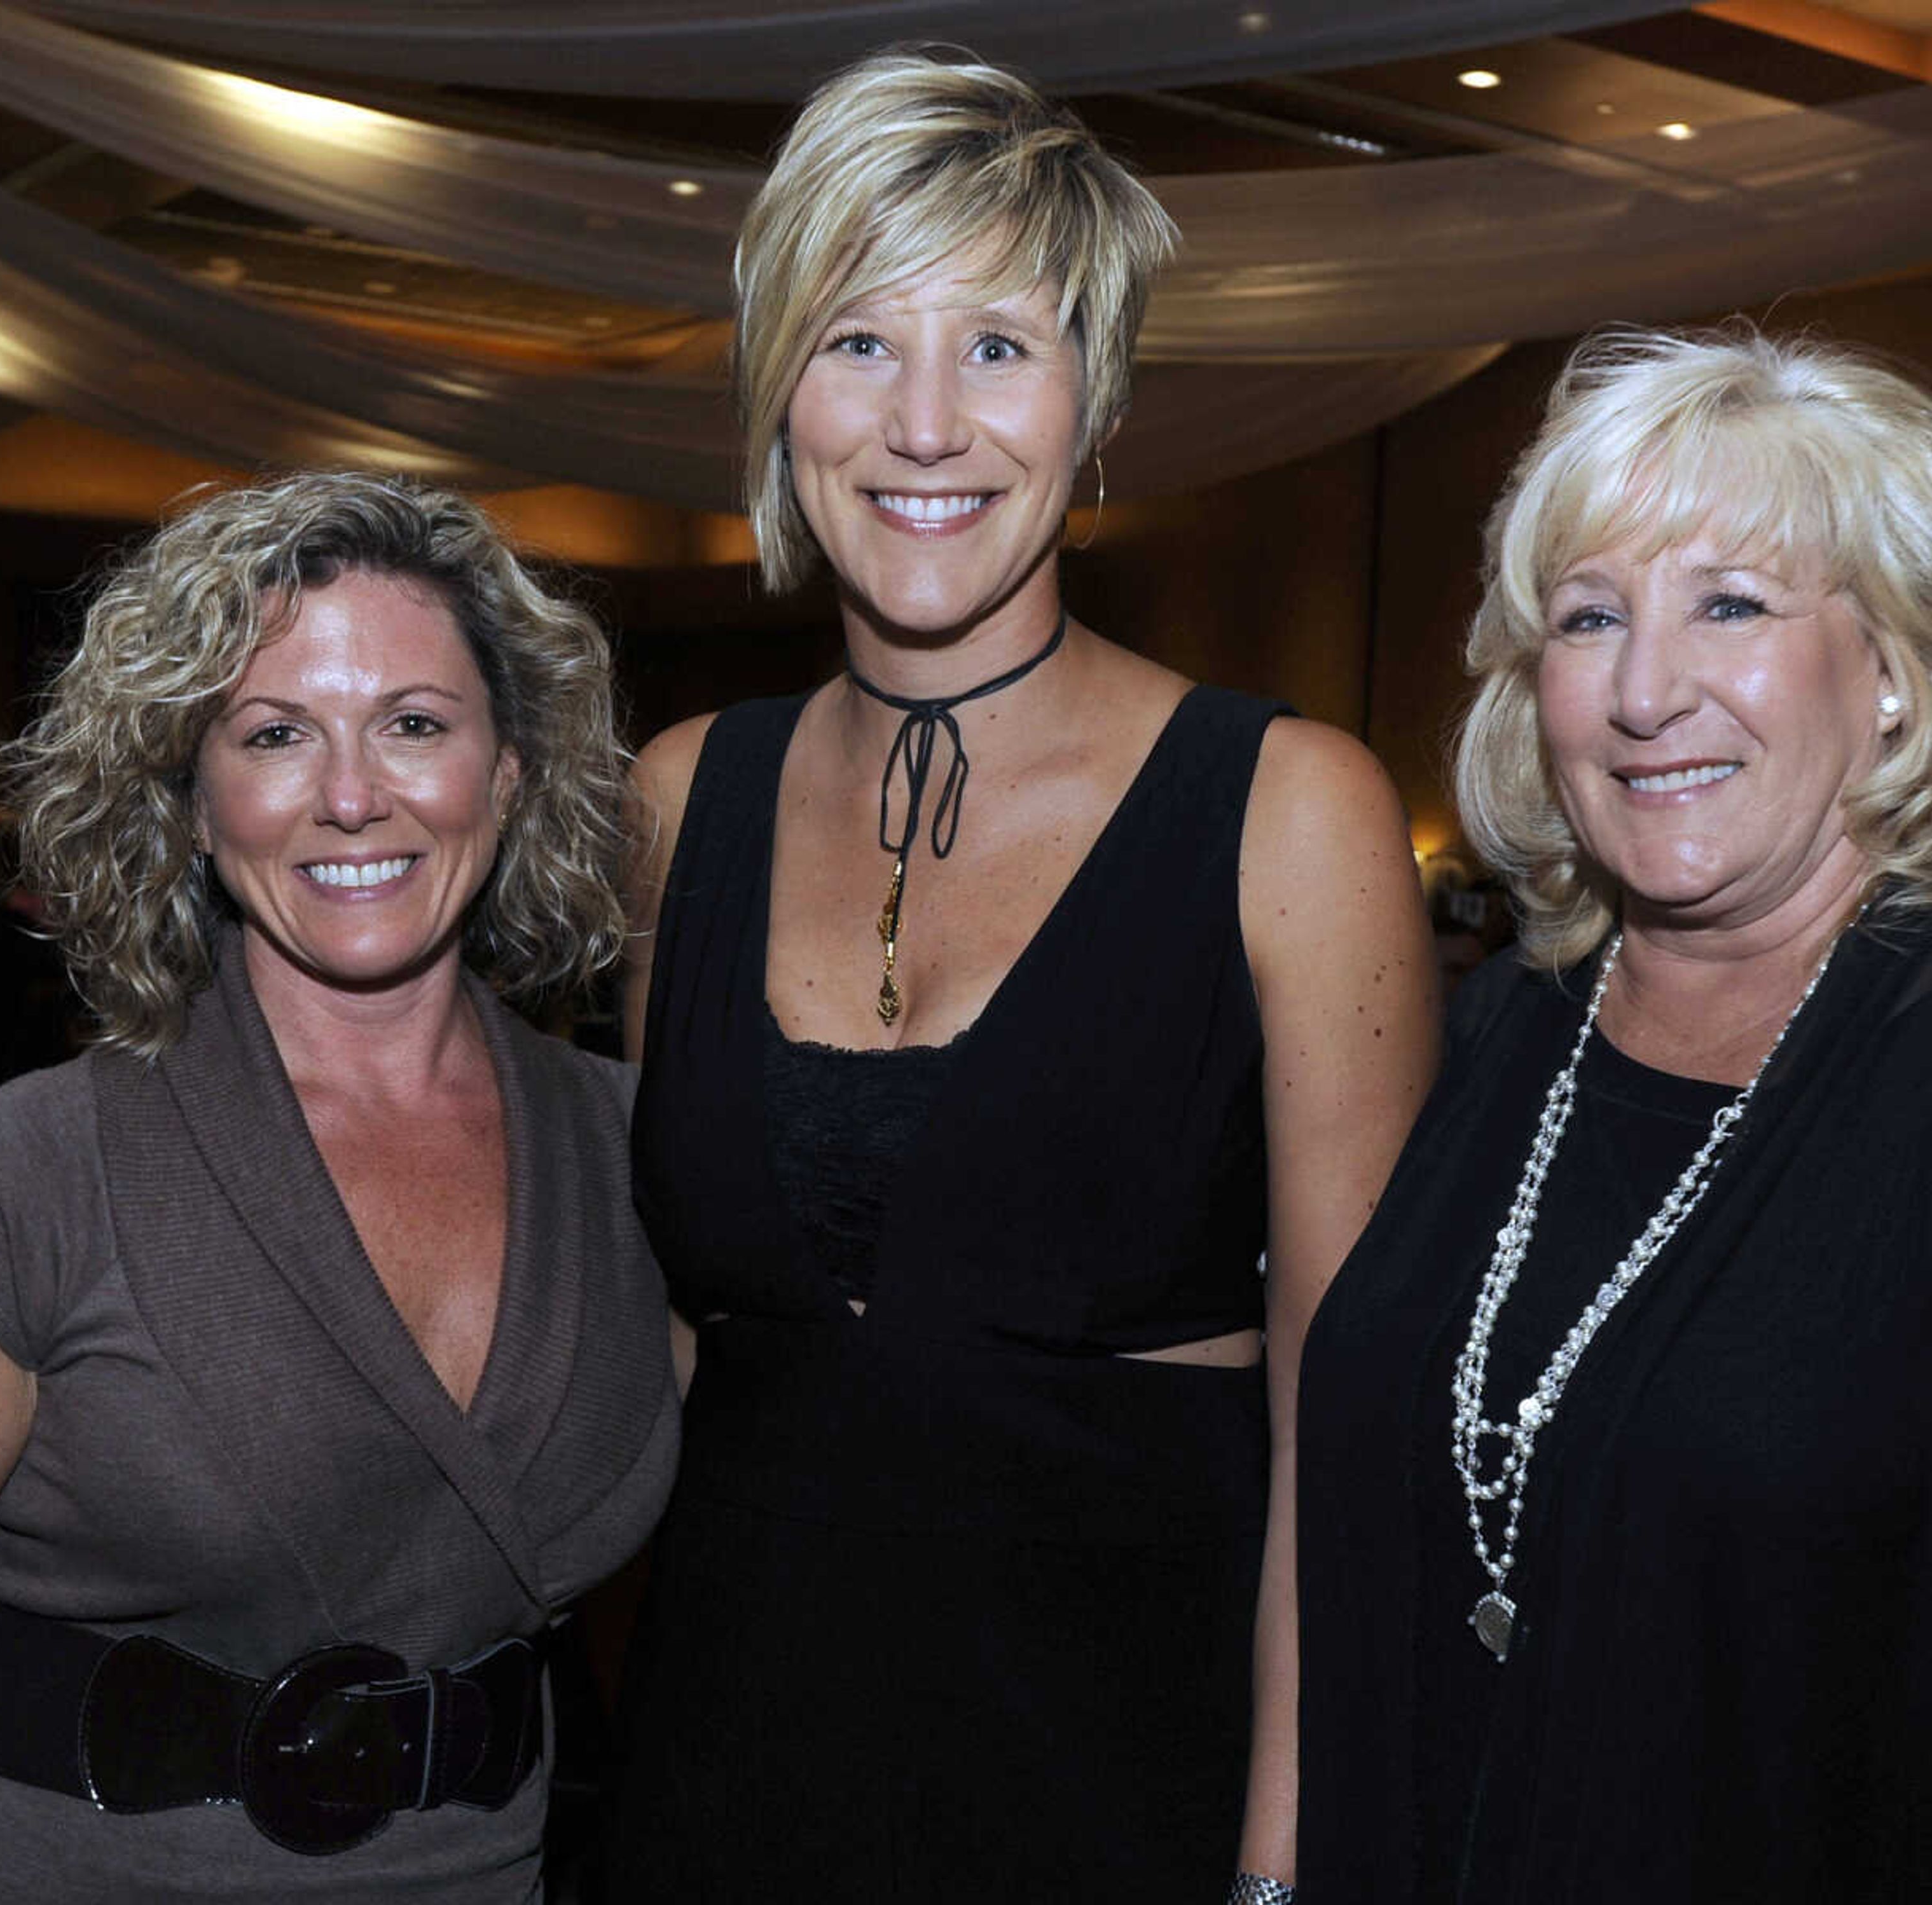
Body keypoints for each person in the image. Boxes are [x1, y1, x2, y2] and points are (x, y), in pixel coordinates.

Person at [605, 48, 1438, 1904]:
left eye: (999, 345)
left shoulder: (1288, 809)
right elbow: (674, 1351)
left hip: (1124, 1789)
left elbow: (1351, 1409)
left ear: (1098, 400)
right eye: (856, 343)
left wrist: (1286, 1862)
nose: (925, 423)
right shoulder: (678, 801)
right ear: (776, 396)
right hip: (715, 1785)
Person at [1296, 327, 1932, 1901]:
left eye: (1733, 603)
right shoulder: (1514, 1025)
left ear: (1900, 685)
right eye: (1591, 619)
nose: (1649, 691)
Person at [0, 471, 679, 1902]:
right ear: (192, 806)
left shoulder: (650, 1163)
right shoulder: (14, 1181)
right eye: (273, 734)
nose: (351, 793)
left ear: (509, 771)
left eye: (416, 724)